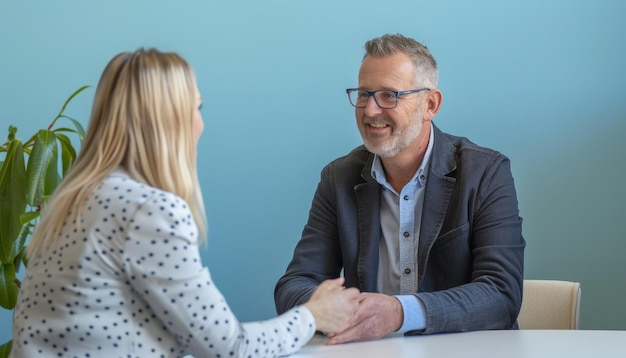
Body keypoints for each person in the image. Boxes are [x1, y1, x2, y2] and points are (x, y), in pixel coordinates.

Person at [10, 48, 360, 358]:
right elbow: (231, 347)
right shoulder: (146, 210)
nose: (201, 124)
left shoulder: (69, 201)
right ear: (169, 121)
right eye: (196, 108)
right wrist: (314, 314)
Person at [274, 33, 525, 344]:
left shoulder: (485, 173)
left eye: (389, 95)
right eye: (364, 94)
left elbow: (501, 294)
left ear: (430, 104)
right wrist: (336, 311)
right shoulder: (338, 177)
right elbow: (294, 284)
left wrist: (399, 313)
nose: (369, 110)